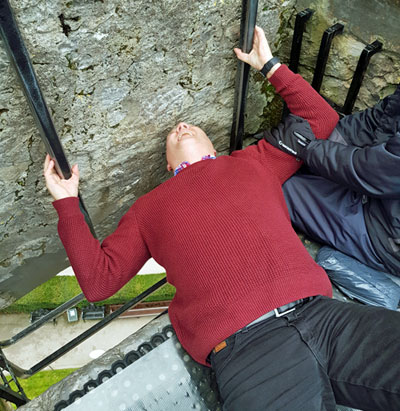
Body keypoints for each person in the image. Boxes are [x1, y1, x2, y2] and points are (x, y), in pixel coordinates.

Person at [43, 26, 400, 410]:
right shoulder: (148, 208)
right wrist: (67, 204)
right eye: (174, 133)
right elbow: (99, 281)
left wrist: (269, 65)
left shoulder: (255, 161)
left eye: (192, 125)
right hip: (248, 345)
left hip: (322, 314)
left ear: (215, 145)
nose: (181, 126)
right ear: (167, 164)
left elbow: (322, 121)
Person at [264, 75, 400, 278]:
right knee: (303, 169)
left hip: (385, 234)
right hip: (381, 198)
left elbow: (373, 172)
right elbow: (378, 120)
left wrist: (307, 148)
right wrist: (324, 137)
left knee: (284, 189)